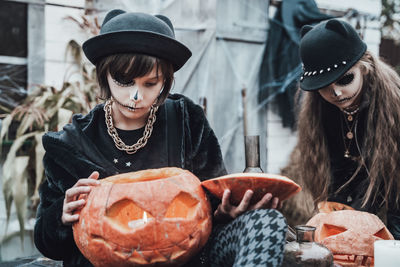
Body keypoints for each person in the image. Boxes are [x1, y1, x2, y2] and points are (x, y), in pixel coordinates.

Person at [34, 9, 287, 267]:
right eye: (124, 81)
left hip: (186, 256)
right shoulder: (71, 144)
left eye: (150, 83)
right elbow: (47, 243)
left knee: (266, 221)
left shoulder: (187, 120)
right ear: (105, 75)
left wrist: (224, 212)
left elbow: (209, 202)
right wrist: (61, 216)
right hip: (109, 260)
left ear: (164, 81)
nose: (135, 96)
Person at [282, 18, 400, 239]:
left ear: (364, 67)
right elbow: (335, 175)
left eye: (345, 79)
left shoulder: (394, 105)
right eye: (324, 87)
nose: (336, 93)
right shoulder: (320, 109)